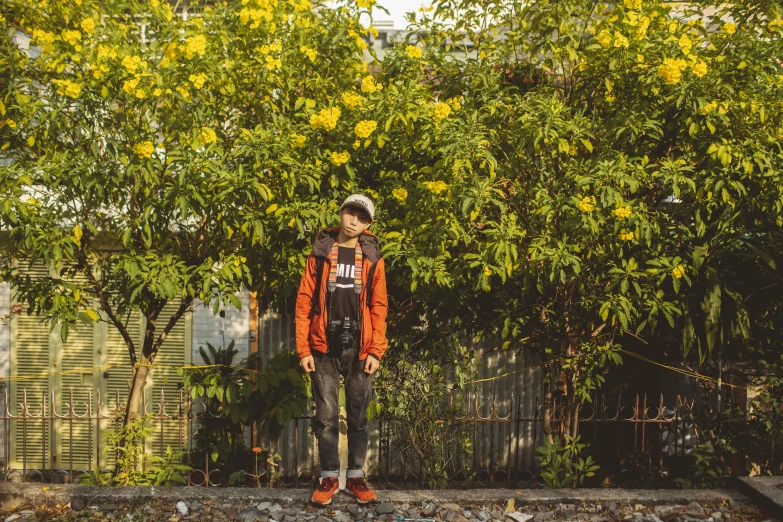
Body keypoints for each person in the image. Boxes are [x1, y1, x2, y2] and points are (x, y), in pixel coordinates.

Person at [295, 194, 388, 506]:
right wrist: (303, 349)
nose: (353, 221)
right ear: (341, 212)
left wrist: (376, 350)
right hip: (323, 347)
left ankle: (357, 477)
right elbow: (304, 302)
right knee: (326, 416)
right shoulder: (321, 253)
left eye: (361, 218)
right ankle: (330, 477)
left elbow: (379, 305)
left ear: (368, 224)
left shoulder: (373, 258)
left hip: (361, 348)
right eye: (350, 213)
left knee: (360, 416)